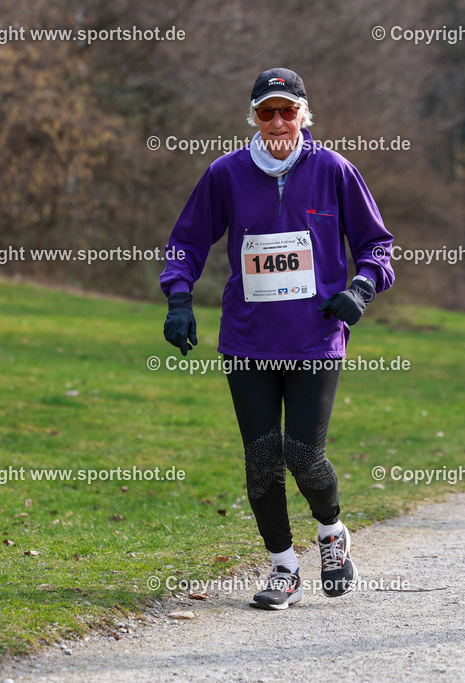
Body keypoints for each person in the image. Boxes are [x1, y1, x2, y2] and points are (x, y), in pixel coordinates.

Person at [159, 68, 395, 610]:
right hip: (248, 340)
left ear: (304, 115)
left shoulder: (335, 170)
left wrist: (359, 291)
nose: (278, 121)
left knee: (304, 455)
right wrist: (178, 298)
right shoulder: (225, 174)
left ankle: (331, 532)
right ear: (254, 118)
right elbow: (185, 242)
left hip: (315, 337)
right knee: (262, 459)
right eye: (267, 112)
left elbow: (376, 247)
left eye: (288, 110)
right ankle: (284, 566)